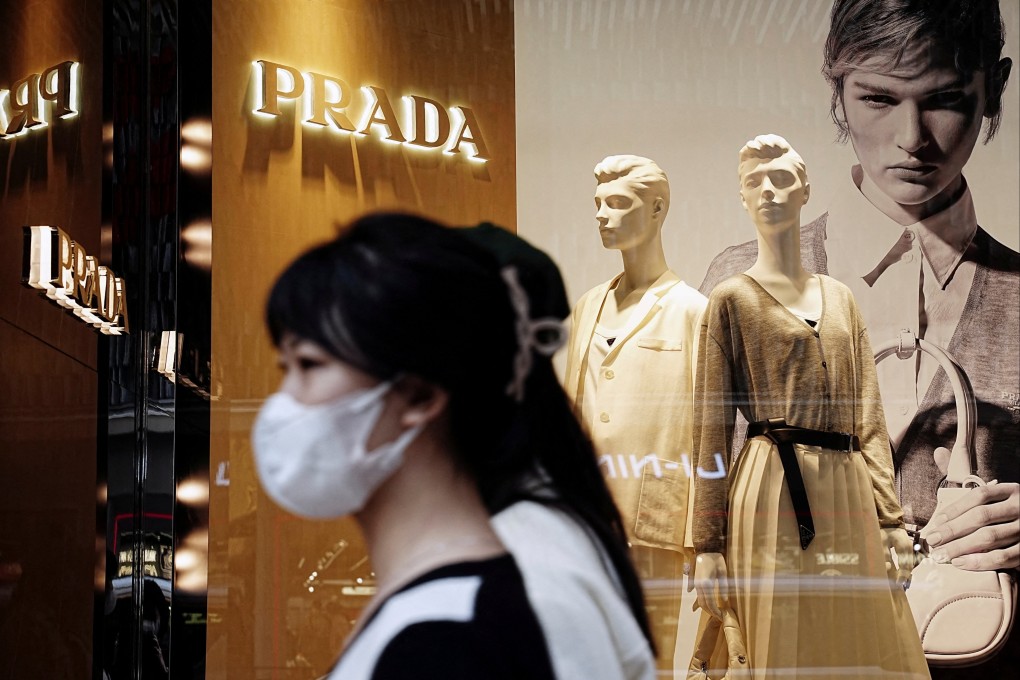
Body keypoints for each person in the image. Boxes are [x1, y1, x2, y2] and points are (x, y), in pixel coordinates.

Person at [697, 2, 1019, 672]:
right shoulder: (737, 280)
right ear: (837, 93)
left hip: (973, 646)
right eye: (877, 97)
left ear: (996, 89)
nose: (911, 137)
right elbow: (706, 480)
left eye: (945, 99)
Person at [251, 212, 656, 679]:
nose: (284, 405)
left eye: (310, 363)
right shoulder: (460, 596)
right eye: (287, 368)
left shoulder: (467, 622)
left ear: (423, 393)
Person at [692, 134, 929, 679]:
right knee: (780, 634)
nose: (768, 191)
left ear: (806, 190)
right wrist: (706, 544)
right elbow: (707, 429)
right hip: (772, 485)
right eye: (755, 182)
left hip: (846, 487)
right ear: (742, 198)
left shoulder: (841, 296)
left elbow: (867, 415)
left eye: (781, 179)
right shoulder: (731, 297)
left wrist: (892, 520)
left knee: (857, 635)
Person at [563, 155, 708, 670]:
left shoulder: (693, 309)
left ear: (657, 209)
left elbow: (709, 429)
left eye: (618, 203)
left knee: (650, 662)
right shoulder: (587, 306)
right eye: (598, 204)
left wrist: (704, 537)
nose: (603, 215)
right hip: (587, 520)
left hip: (654, 520)